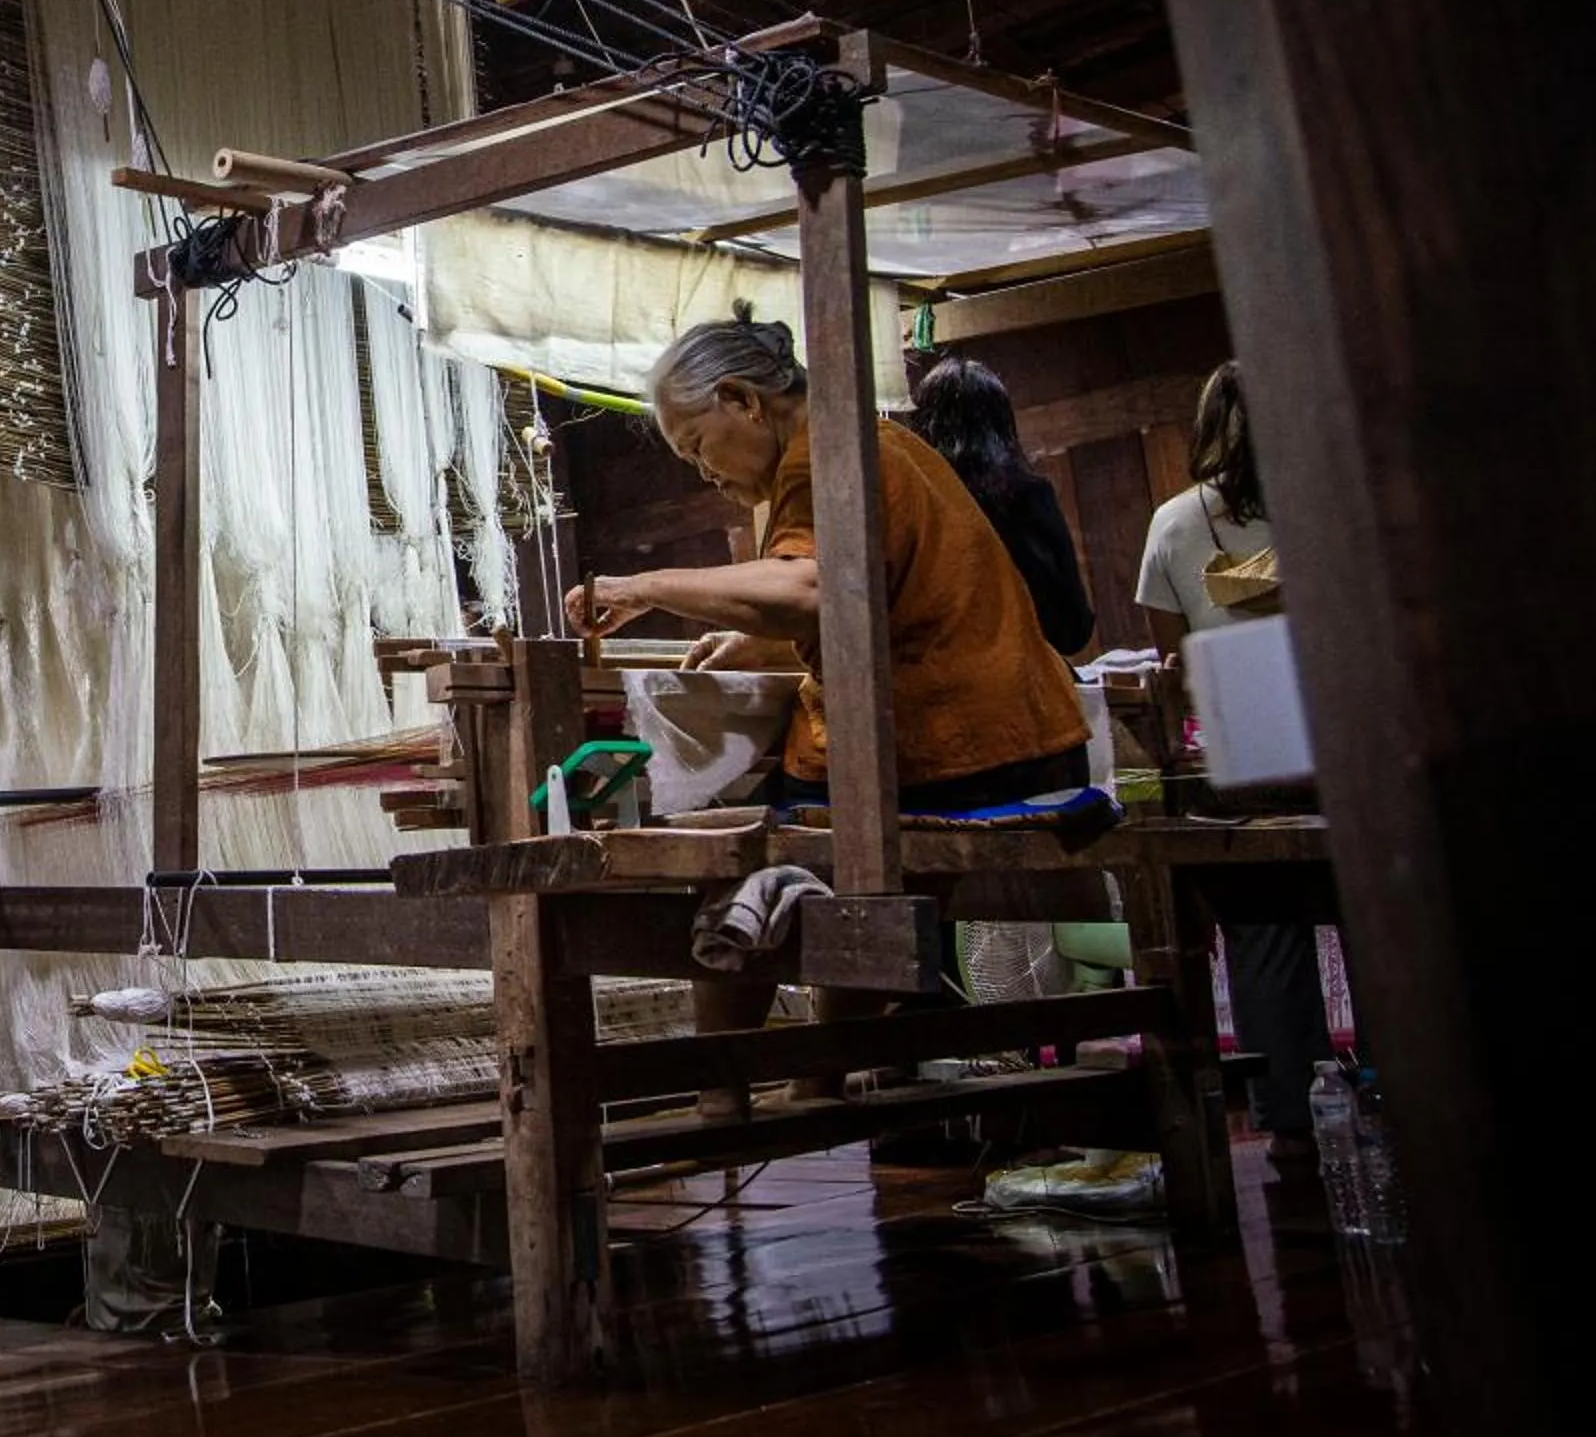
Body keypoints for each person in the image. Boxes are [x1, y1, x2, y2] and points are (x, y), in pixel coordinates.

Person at [568, 305, 1092, 816]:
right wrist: (760, 646)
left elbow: (811, 591)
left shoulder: (824, 455)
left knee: (739, 838)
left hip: (962, 752)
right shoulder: (874, 439)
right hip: (1032, 737)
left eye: (697, 447)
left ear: (742, 399)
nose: (704, 472)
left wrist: (642, 588)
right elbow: (880, 606)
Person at [1134, 361, 1332, 1164]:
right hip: (1346, 746)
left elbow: (1171, 664)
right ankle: (1410, 1093)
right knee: (1386, 924)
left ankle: (1291, 1118)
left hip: (1245, 760)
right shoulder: (1327, 496)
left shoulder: (1175, 524)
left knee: (1266, 936)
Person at [908, 354, 1095, 657]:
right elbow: (1073, 630)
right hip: (1019, 687)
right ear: (1004, 423)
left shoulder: (912, 506)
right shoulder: (1029, 497)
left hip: (937, 689)